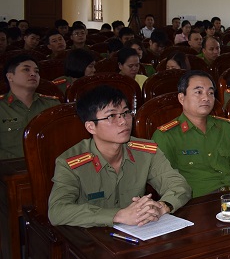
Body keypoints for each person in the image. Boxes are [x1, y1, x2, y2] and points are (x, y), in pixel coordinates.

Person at [48, 86, 191, 227]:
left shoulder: (145, 151)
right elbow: (57, 211)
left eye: (126, 113)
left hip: (139, 232)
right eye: (111, 116)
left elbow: (179, 185)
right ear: (91, 127)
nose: (123, 121)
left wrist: (162, 206)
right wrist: (118, 215)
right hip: (92, 240)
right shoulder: (70, 163)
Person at [152, 71, 230, 197]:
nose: (206, 98)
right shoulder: (166, 136)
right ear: (181, 98)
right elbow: (165, 184)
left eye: (210, 93)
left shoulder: (225, 128)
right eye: (198, 92)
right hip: (194, 203)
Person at [0, 54, 61, 158]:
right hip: (10, 171)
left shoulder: (52, 105)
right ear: (10, 77)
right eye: (26, 70)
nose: (33, 74)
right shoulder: (2, 107)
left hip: (50, 168)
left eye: (36, 71)